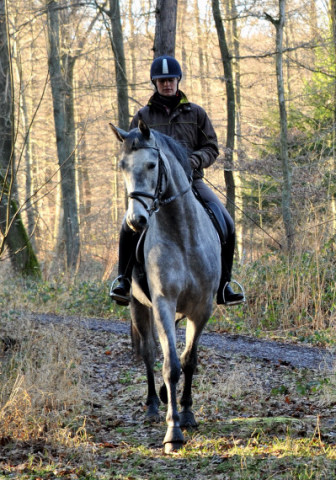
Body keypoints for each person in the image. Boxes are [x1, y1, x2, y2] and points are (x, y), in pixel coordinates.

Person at [110, 55, 244, 307]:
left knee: (226, 221)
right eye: (162, 81)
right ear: (155, 83)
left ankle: (225, 284)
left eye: (171, 79)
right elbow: (131, 150)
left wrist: (195, 160)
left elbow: (211, 148)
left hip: (192, 183)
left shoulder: (196, 113)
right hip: (153, 189)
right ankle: (123, 281)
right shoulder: (143, 116)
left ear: (178, 80)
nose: (167, 84)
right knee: (127, 225)